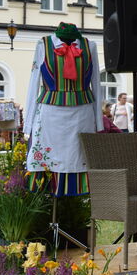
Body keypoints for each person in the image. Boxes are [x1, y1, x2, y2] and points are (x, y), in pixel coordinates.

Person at [24, 22, 103, 196]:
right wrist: (27, 124)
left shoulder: (90, 46)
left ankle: (75, 204)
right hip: (49, 115)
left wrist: (99, 123)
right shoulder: (42, 44)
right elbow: (33, 83)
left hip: (82, 116)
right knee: (47, 157)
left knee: (79, 156)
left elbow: (97, 83)